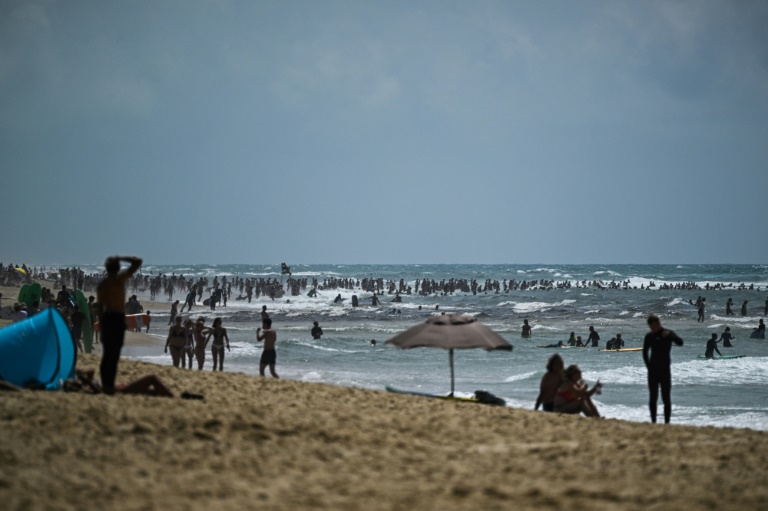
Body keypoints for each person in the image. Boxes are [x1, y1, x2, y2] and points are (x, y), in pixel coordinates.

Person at [97, 255, 142, 394]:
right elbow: (137, 262)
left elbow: (100, 307)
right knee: (115, 353)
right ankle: (108, 385)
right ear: (118, 268)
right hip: (117, 318)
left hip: (108, 317)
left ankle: (107, 384)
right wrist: (122, 257)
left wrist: (101, 326)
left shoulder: (103, 284)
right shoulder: (120, 279)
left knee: (108, 353)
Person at [642, 314, 684, 424]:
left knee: (666, 398)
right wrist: (648, 366)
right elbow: (645, 352)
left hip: (665, 371)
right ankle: (654, 421)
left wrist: (671, 336)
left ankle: (667, 422)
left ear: (658, 323)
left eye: (655, 325)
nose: (654, 328)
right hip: (653, 372)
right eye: (651, 326)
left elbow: (680, 342)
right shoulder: (649, 336)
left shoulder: (668, 333)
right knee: (653, 397)